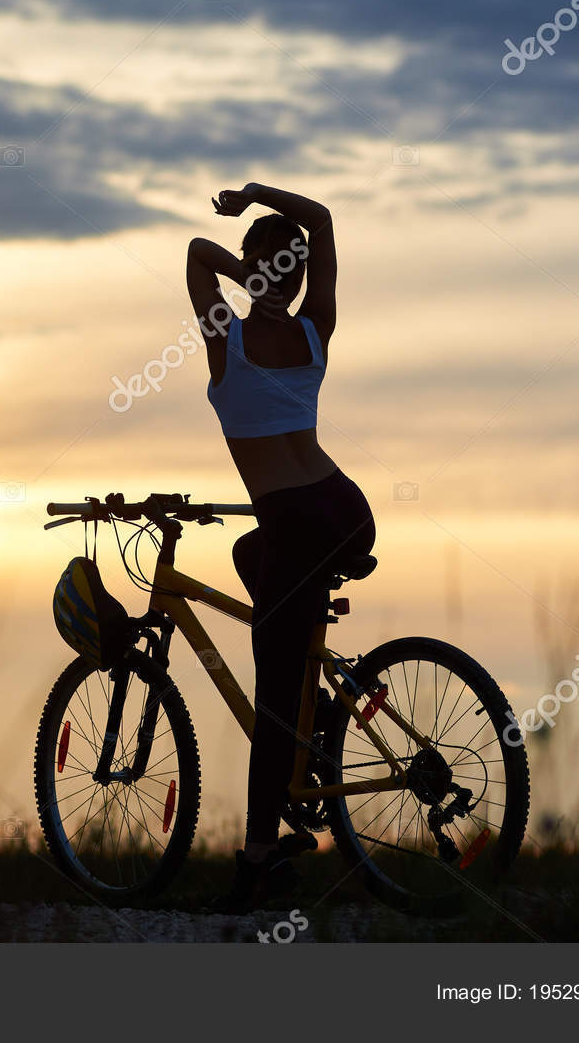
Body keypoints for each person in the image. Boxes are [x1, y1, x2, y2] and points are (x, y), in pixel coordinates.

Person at [186, 181, 376, 910]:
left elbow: (197, 254)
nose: (289, 276)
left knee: (268, 692)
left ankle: (261, 856)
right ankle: (319, 713)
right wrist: (263, 207)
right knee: (249, 556)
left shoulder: (225, 340)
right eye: (282, 266)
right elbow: (322, 220)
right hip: (343, 507)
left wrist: (245, 263)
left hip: (300, 518)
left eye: (289, 268)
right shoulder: (313, 330)